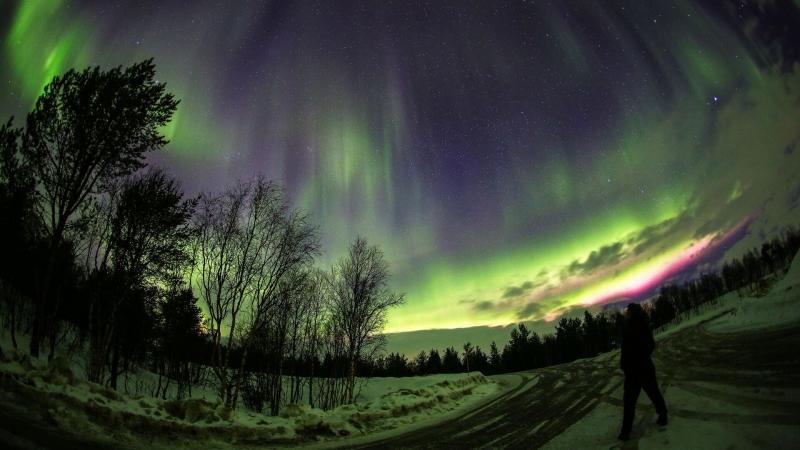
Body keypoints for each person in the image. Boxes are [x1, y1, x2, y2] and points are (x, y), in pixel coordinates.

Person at [618, 302, 667, 441]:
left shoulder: (629, 328)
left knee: (629, 402)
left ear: (631, 312)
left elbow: (627, 351)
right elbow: (651, 345)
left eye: (627, 311)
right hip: (645, 367)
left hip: (634, 371)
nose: (625, 313)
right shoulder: (644, 325)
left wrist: (628, 364)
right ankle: (663, 416)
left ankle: (625, 432)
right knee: (654, 393)